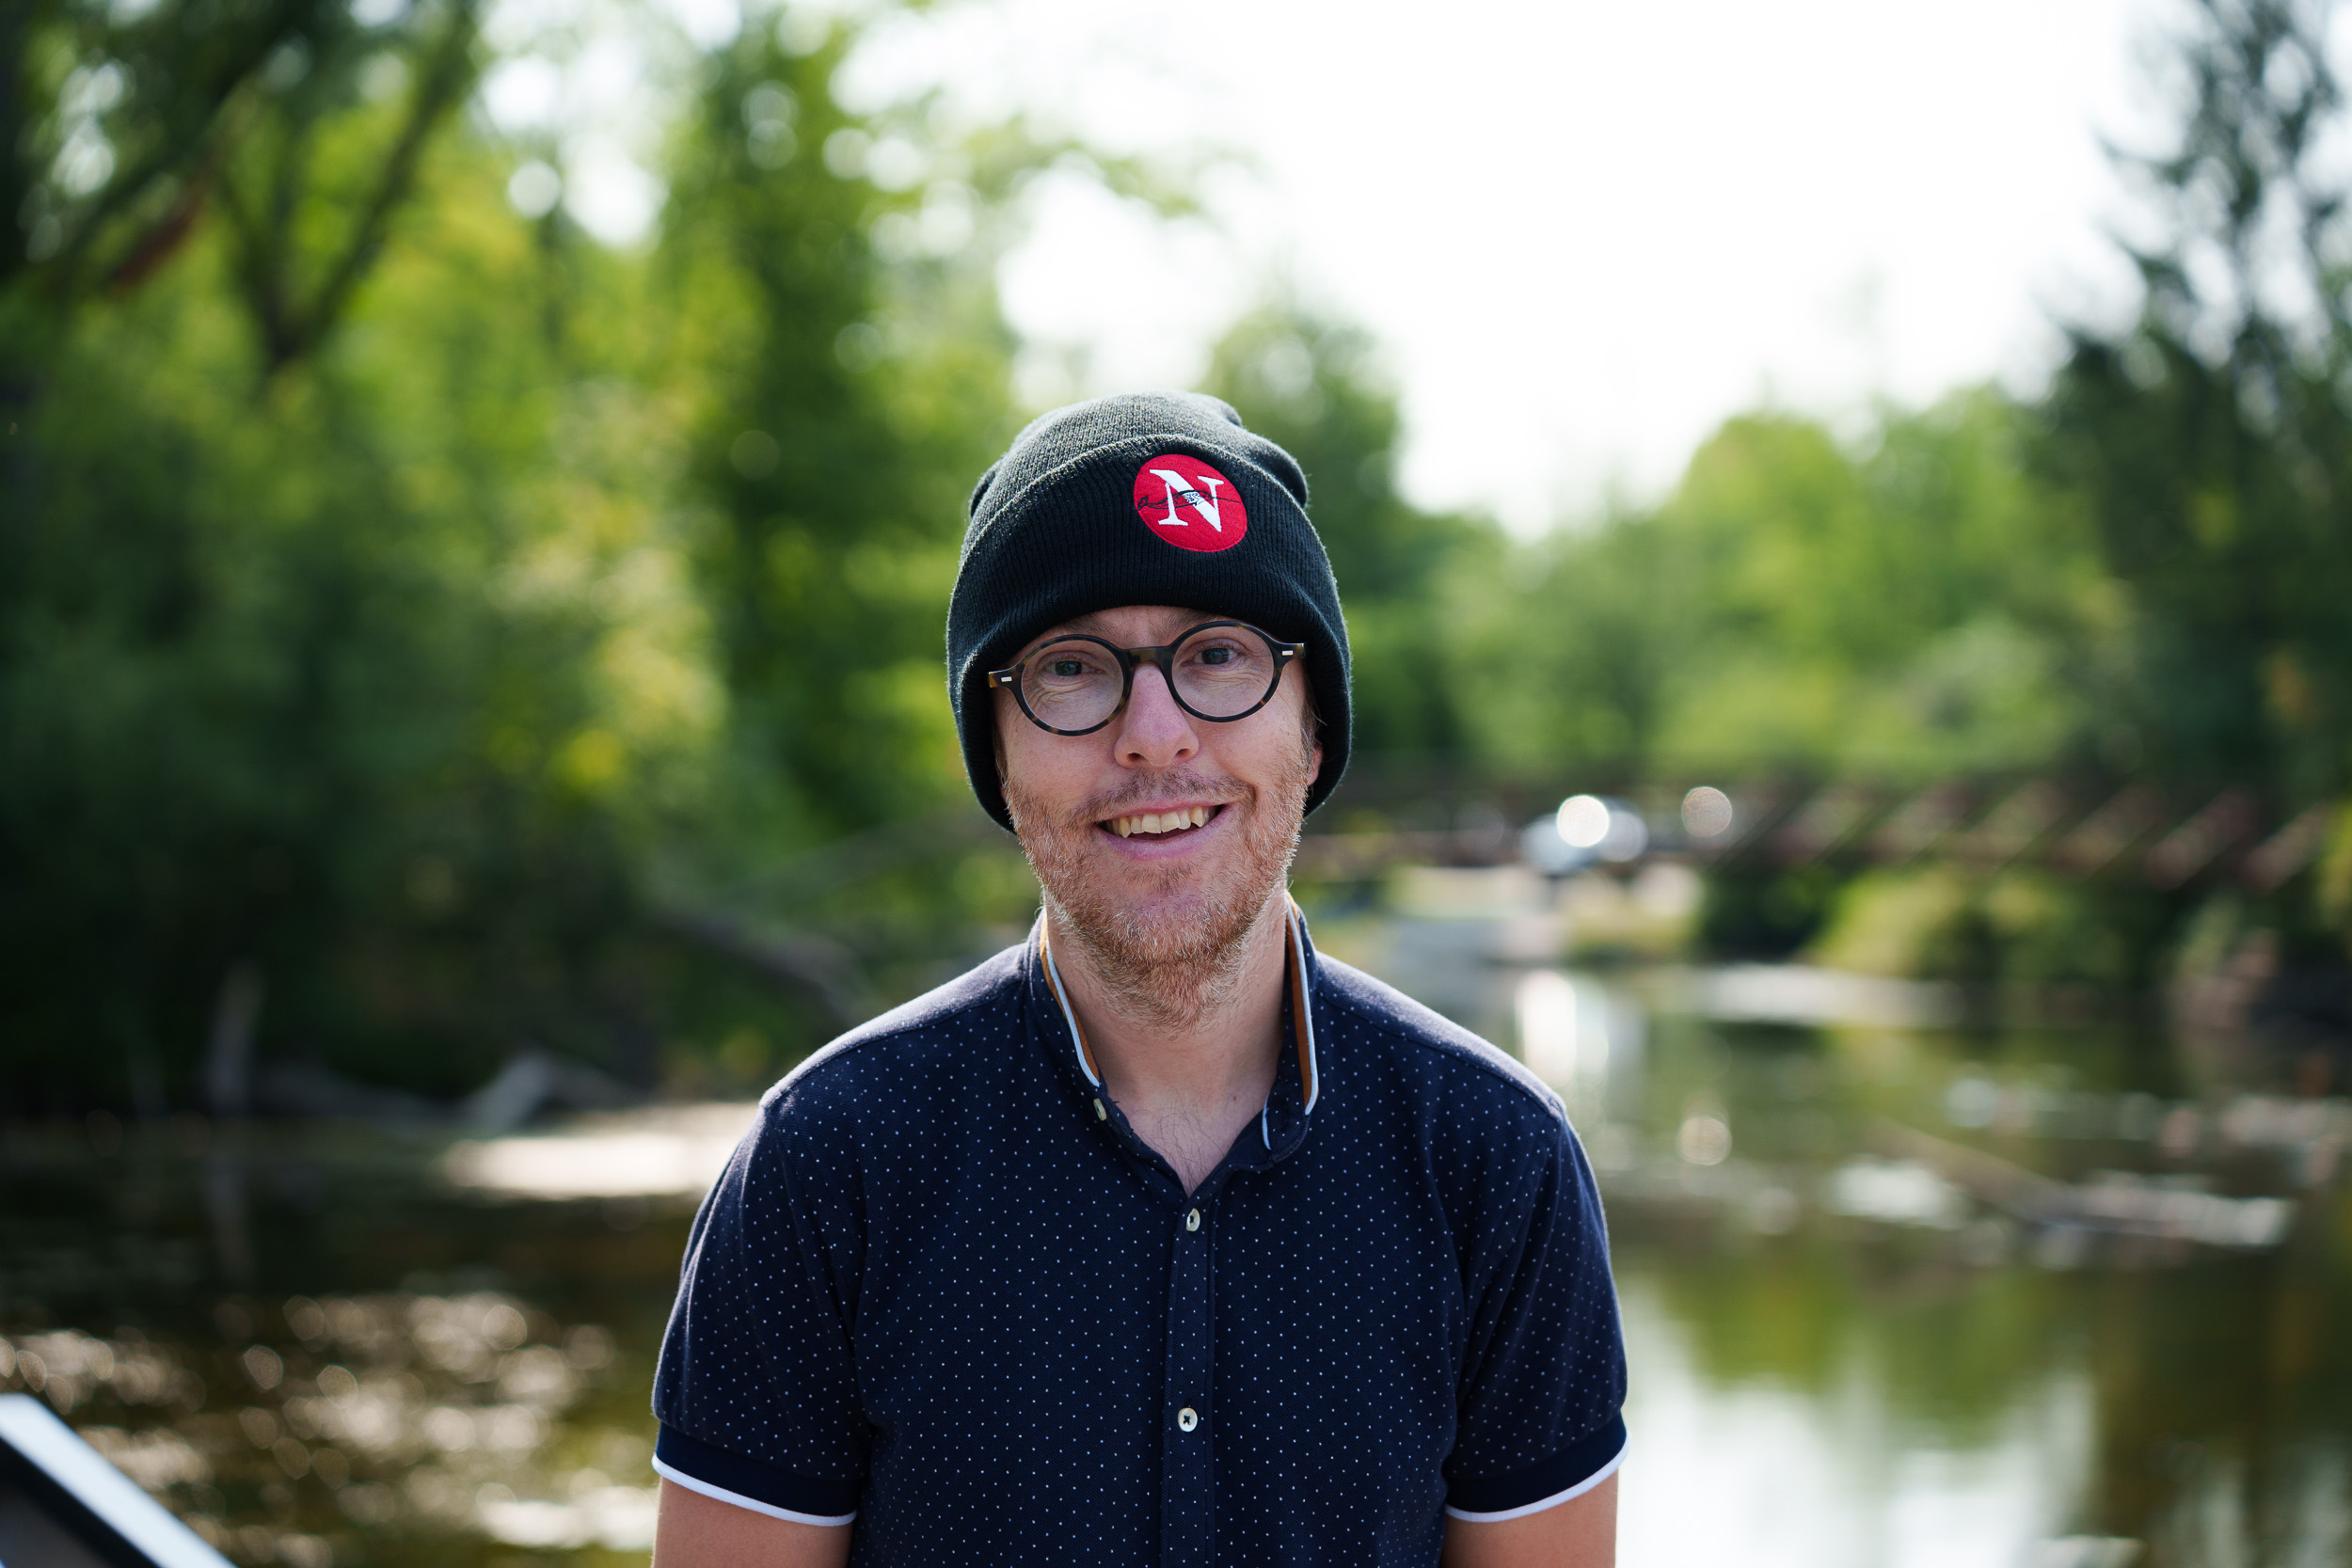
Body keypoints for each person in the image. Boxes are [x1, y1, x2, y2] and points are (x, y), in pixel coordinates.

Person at [648, 392, 1627, 1566]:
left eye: (1218, 654)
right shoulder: (831, 1164)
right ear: (993, 752)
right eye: (1071, 667)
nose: (1154, 735)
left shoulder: (1494, 1163)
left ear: (1313, 729)